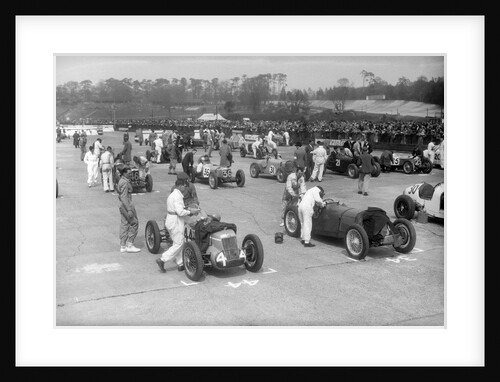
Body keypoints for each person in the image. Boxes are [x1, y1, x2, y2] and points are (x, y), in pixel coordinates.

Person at [156, 179, 199, 273]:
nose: (186, 189)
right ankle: (162, 259)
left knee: (178, 242)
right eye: (185, 186)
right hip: (175, 222)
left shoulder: (174, 195)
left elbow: (179, 209)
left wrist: (189, 210)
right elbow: (180, 212)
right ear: (181, 186)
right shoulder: (177, 196)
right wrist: (191, 212)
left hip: (171, 220)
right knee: (178, 243)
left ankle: (180, 263)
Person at [116, 164, 141, 253]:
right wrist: (129, 209)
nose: (130, 175)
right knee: (134, 223)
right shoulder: (125, 182)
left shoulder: (122, 180)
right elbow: (124, 197)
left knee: (124, 224)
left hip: (123, 205)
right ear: (124, 173)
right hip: (127, 205)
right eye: (129, 173)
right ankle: (130, 244)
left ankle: (123, 245)